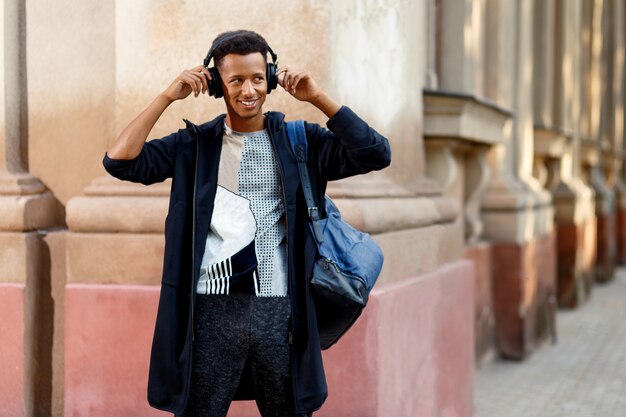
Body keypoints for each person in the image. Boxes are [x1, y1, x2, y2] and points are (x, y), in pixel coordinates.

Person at [103, 30, 391, 417]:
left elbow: (375, 152)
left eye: (257, 77)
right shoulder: (196, 146)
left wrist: (317, 97)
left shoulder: (300, 142)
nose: (248, 89)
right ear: (216, 85)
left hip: (282, 312)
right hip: (210, 312)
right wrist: (166, 96)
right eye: (235, 80)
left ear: (270, 78)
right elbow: (120, 162)